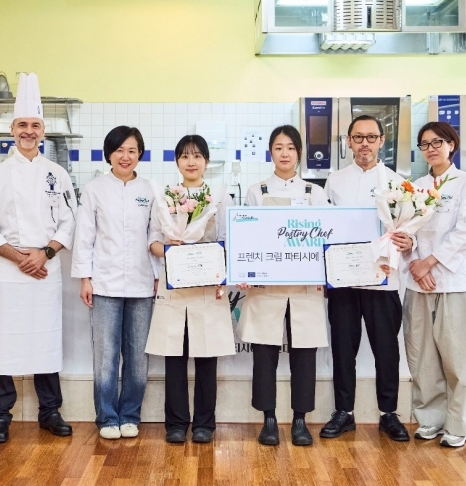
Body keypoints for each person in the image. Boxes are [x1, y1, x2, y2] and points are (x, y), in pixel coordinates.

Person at [0, 73, 75, 444]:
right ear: (12, 130)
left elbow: (69, 221)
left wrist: (44, 254)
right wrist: (20, 258)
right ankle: (1, 415)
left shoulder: (57, 174)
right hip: (9, 270)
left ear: (43, 131)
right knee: (5, 340)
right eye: (22, 125)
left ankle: (50, 411)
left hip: (45, 268)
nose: (28, 132)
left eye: (35, 125)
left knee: (45, 338)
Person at [322, 115, 412, 442]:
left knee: (386, 350)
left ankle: (389, 413)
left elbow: (406, 230)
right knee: (343, 350)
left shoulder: (398, 183)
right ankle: (344, 412)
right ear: (348, 142)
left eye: (371, 137)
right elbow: (324, 229)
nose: (365, 143)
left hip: (382, 279)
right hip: (344, 281)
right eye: (358, 137)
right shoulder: (334, 181)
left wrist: (408, 242)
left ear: (381, 141)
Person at [238, 125, 329, 447]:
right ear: (271, 153)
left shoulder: (315, 193)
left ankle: (300, 420)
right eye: (278, 147)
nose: (285, 153)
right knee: (264, 354)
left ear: (299, 153)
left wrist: (326, 275)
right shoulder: (256, 191)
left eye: (290, 147)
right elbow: (246, 235)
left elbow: (326, 237)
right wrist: (244, 268)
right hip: (267, 288)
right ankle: (269, 419)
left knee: (304, 353)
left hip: (304, 287)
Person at [145, 135, 235, 444]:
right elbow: (152, 241)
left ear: (206, 161)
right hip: (175, 286)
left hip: (207, 286)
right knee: (174, 355)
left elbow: (228, 239)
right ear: (177, 162)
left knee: (207, 355)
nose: (191, 162)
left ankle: (204, 424)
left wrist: (221, 271)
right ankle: (176, 423)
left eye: (197, 156)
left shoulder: (219, 198)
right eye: (185, 156)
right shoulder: (166, 197)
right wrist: (170, 248)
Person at [71, 126, 156, 440]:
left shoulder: (150, 189)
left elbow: (155, 235)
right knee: (106, 355)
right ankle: (107, 417)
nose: (125, 156)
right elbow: (84, 237)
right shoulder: (94, 189)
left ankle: (130, 415)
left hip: (142, 284)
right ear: (109, 153)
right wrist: (85, 278)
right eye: (119, 150)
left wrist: (158, 276)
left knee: (137, 356)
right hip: (104, 283)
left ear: (139, 154)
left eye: (132, 150)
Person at [403, 121, 466, 448]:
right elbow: (406, 232)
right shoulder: (415, 187)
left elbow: (465, 234)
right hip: (418, 284)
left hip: (452, 283)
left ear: (452, 144)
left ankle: (459, 424)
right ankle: (430, 420)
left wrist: (429, 262)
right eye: (425, 144)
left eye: (438, 142)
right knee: (422, 358)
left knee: (457, 359)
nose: (431, 148)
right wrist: (415, 263)